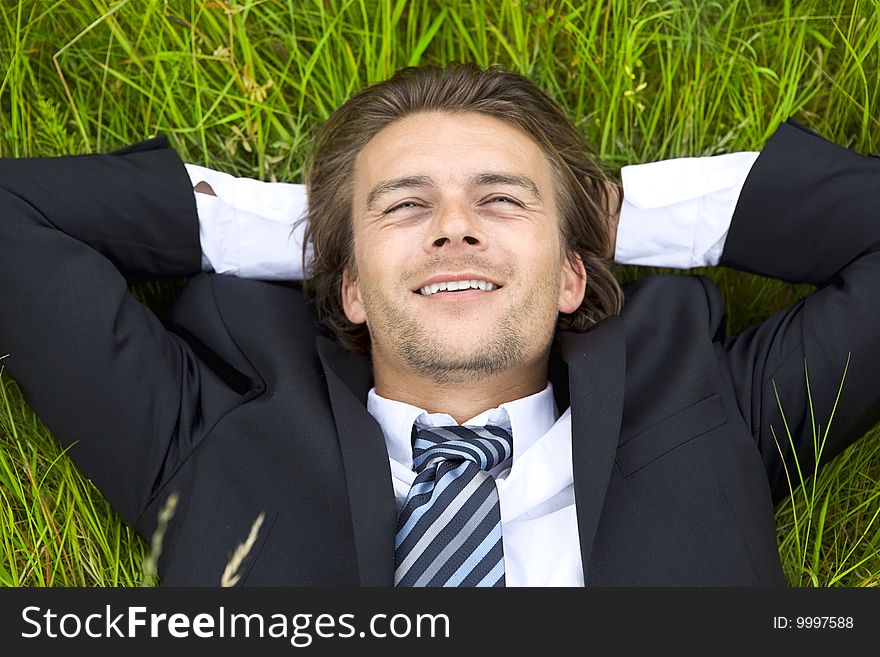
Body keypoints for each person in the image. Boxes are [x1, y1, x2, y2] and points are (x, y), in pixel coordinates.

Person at [0, 63, 877, 586]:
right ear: (344, 287)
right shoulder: (209, 434)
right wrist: (309, 224)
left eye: (500, 199)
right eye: (405, 205)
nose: (454, 226)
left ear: (575, 272)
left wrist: (612, 212)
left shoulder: (708, 402)